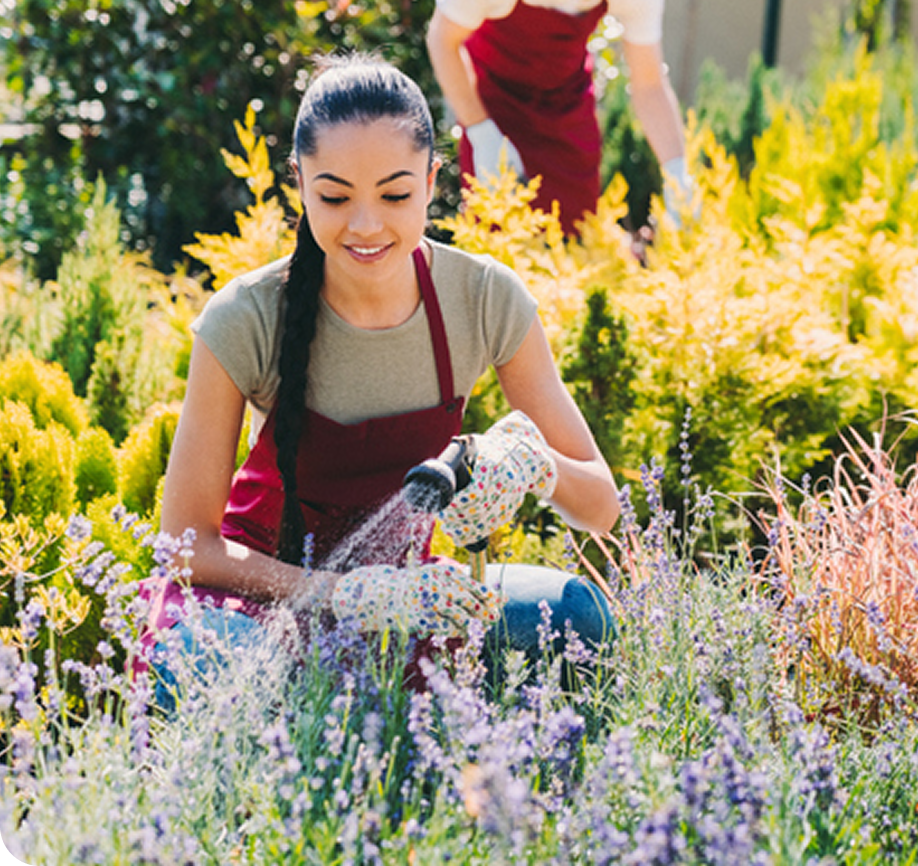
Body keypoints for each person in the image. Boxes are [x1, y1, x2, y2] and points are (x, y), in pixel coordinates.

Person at [141, 54, 621, 702]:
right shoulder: (247, 317)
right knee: (206, 661)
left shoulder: (482, 299)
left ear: (431, 179)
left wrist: (535, 464)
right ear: (300, 183)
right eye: (334, 196)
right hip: (259, 601)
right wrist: (341, 595)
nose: (365, 225)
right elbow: (185, 547)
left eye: (395, 194)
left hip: (410, 594)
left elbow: (601, 508)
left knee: (575, 615)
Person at [426, 0, 693, 235]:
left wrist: (677, 173)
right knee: (495, 237)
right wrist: (480, 130)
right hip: (492, 102)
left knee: (576, 233)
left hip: (566, 109)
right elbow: (443, 40)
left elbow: (648, 84)